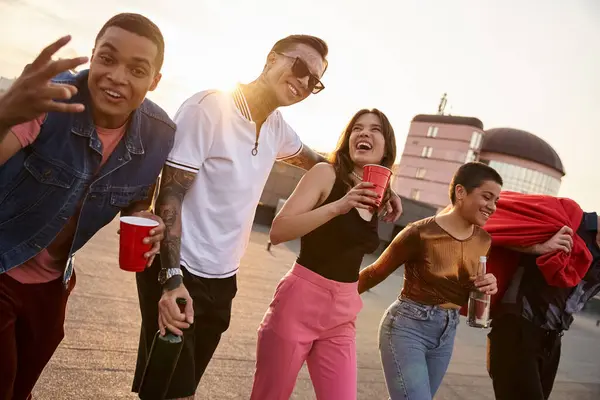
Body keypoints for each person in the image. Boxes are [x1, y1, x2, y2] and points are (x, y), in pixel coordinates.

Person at [132, 35, 404, 400]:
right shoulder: (209, 108)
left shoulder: (276, 128)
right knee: (172, 393)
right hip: (180, 270)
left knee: (178, 387)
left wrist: (384, 188)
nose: (304, 82)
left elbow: (320, 161)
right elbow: (170, 195)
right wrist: (169, 279)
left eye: (315, 81)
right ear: (271, 58)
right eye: (299, 67)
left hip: (222, 279)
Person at [0, 13, 173, 400]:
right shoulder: (53, 98)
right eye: (107, 59)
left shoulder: (159, 133)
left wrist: (146, 216)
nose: (117, 77)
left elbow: (137, 196)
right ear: (93, 57)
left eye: (137, 69)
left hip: (52, 282)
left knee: (21, 388)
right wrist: (5, 113)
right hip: (2, 263)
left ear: (154, 81)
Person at [250, 108, 396, 400]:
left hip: (342, 313)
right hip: (298, 304)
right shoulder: (325, 174)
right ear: (348, 138)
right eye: (357, 128)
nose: (364, 133)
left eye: (375, 129)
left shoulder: (379, 193)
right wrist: (338, 206)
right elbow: (278, 231)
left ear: (387, 148)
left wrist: (390, 194)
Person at [357, 162, 503, 400]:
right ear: (460, 192)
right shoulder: (419, 233)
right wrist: (331, 303)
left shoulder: (484, 240)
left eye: (496, 200)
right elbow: (374, 273)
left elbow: (464, 286)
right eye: (487, 197)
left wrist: (488, 284)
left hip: (446, 334)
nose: (492, 206)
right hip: (406, 328)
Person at [482, 192, 600, 400]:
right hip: (517, 329)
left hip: (552, 340)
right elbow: (489, 226)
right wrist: (539, 247)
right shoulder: (568, 216)